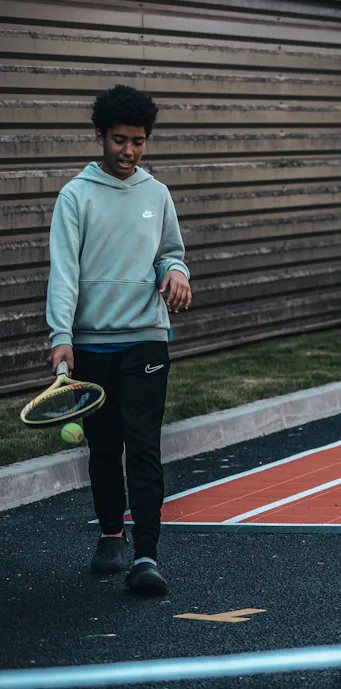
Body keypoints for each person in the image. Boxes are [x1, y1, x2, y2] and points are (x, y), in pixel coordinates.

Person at [47, 85, 191, 595]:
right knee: (104, 448)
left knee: (144, 447)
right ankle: (112, 535)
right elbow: (64, 272)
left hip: (146, 340)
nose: (128, 151)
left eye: (138, 141)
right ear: (99, 136)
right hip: (91, 345)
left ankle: (146, 556)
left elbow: (170, 251)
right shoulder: (75, 196)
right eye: (118, 140)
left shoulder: (157, 193)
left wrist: (176, 272)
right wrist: (61, 335)